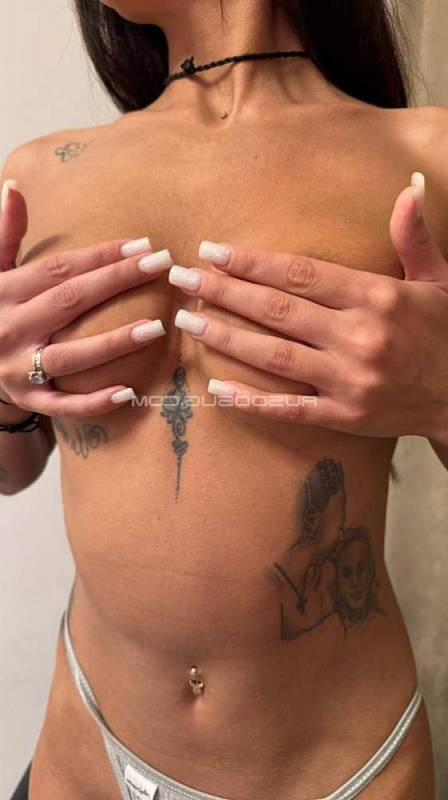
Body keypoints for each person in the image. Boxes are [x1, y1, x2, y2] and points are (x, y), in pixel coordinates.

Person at [3, 0, 448, 797]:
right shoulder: (36, 175)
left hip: (345, 771)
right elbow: (12, 469)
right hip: (85, 751)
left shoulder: (428, 159)